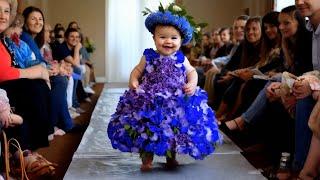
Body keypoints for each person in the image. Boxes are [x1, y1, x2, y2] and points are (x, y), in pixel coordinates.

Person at [107, 3, 221, 172]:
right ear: (154, 38)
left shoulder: (182, 58)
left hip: (175, 99)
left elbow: (192, 72)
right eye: (163, 37)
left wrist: (191, 83)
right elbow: (137, 70)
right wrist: (134, 80)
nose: (168, 41)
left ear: (181, 40)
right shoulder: (148, 56)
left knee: (172, 130)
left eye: (173, 38)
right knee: (146, 128)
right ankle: (147, 159)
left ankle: (170, 158)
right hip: (149, 99)